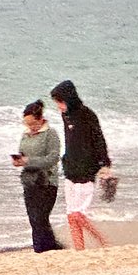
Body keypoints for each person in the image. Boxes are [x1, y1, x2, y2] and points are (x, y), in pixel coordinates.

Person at [50, 79, 113, 250]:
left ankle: (103, 241)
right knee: (71, 215)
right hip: (70, 167)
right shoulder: (66, 115)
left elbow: (99, 139)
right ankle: (80, 248)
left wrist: (105, 164)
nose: (59, 107)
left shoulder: (87, 115)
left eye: (60, 102)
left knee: (78, 214)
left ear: (68, 98)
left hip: (87, 168)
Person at [11, 99, 63, 253]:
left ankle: (45, 248)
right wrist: (20, 160)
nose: (30, 127)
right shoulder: (25, 135)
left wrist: (29, 161)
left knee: (40, 217)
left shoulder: (50, 134)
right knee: (33, 218)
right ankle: (44, 248)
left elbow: (53, 158)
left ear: (41, 119)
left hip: (46, 181)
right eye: (27, 124)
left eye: (33, 123)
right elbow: (24, 154)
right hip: (29, 181)